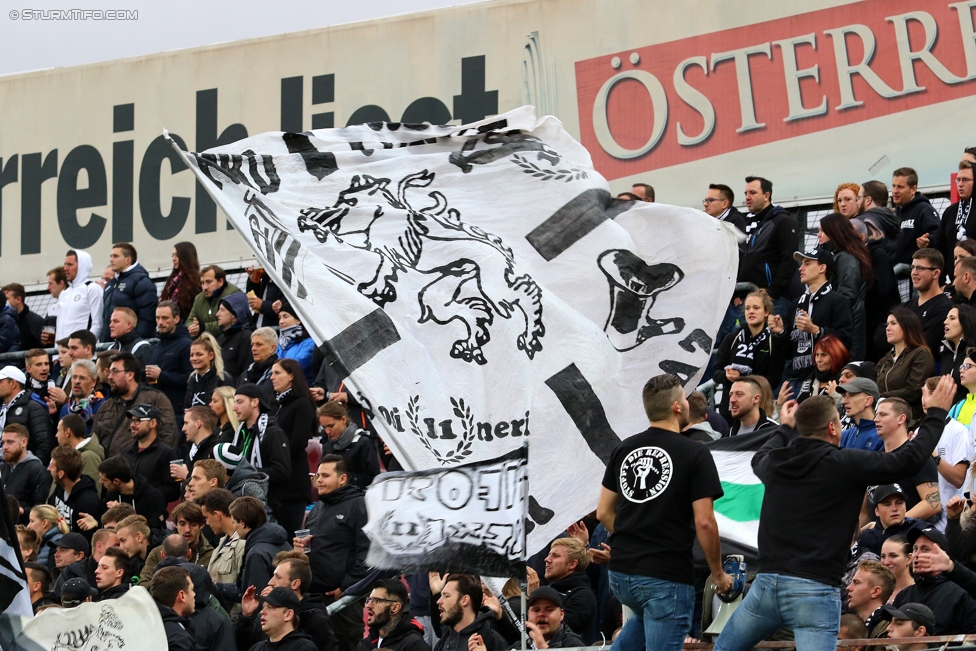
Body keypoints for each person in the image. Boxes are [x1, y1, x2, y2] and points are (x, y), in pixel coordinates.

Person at [712, 375, 956, 651]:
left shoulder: (776, 462)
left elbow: (759, 456)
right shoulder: (845, 462)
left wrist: (785, 426)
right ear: (832, 427)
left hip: (767, 585)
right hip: (814, 588)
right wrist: (936, 414)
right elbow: (908, 459)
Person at [596, 374, 731, 651]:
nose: (686, 402)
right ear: (677, 407)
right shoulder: (695, 454)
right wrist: (718, 574)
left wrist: (633, 536)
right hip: (665, 576)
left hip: (622, 574)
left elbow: (603, 512)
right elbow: (705, 522)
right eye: (684, 397)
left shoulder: (623, 448)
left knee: (643, 621)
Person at [300, 455, 369, 651]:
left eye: (325, 475)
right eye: (317, 475)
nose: (318, 480)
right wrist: (300, 547)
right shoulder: (319, 507)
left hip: (343, 599)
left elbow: (367, 552)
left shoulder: (359, 505)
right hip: (313, 596)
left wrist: (346, 588)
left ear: (343, 478)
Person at [769, 249, 853, 384]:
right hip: (795, 380)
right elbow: (789, 353)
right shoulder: (795, 304)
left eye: (807, 263)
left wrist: (816, 330)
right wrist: (781, 333)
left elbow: (846, 340)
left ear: (822, 268)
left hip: (824, 380)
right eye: (801, 264)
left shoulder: (838, 301)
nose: (800, 268)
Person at [239, 552, 339, 651]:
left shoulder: (317, 620)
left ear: (295, 583)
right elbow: (248, 644)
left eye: (278, 577)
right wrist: (247, 616)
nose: (270, 582)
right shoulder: (265, 616)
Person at [892, 526, 976, 634]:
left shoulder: (961, 593)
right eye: (915, 549)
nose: (917, 555)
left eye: (925, 549)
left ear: (943, 555)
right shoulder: (904, 595)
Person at [712, 289, 783, 418]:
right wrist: (727, 376)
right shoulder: (731, 338)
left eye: (756, 308)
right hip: (730, 409)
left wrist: (745, 380)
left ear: (766, 312)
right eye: (747, 308)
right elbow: (716, 372)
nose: (751, 311)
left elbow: (774, 379)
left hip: (758, 409)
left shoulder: (773, 341)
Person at [91, 352, 177, 457]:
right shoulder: (106, 406)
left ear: (130, 374)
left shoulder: (155, 399)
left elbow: (169, 435)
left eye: (115, 372)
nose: (110, 377)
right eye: (109, 372)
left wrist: (150, 463)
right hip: (109, 469)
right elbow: (94, 441)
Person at [736, 176, 800, 314]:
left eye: (752, 193)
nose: (747, 197)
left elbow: (790, 259)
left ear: (766, 195)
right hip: (747, 302)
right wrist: (735, 295)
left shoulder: (783, 222)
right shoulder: (747, 224)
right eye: (746, 193)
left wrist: (772, 293)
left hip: (774, 302)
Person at [872, 398, 941, 523]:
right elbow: (865, 512)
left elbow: (932, 504)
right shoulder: (874, 460)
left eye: (883, 414)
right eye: (876, 414)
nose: (876, 419)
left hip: (907, 538)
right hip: (874, 539)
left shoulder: (917, 457)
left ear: (901, 419)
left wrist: (892, 525)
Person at [214, 496, 290, 606]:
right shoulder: (279, 540)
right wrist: (218, 587)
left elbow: (255, 597)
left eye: (234, 522)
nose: (234, 527)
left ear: (242, 523)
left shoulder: (256, 554)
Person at [270, 358, 316, 537]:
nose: (272, 377)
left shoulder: (302, 403)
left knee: (290, 538)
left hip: (293, 485)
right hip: (278, 484)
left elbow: (298, 441)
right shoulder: (276, 404)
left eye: (277, 373)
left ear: (291, 376)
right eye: (272, 373)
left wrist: (274, 455)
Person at [227, 383, 291, 513]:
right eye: (234, 403)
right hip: (243, 504)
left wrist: (246, 472)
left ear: (254, 402)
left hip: (269, 505)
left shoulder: (273, 433)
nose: (234, 408)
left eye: (239, 402)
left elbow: (281, 472)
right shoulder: (240, 433)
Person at [818, 213, 872, 360]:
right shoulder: (837, 256)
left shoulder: (845, 258)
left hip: (849, 325)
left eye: (822, 231)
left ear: (834, 232)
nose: (818, 235)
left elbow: (847, 295)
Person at [921, 377, 972, 531]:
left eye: (931, 394)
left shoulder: (958, 431)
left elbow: (958, 479)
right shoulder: (919, 432)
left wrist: (932, 454)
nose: (925, 399)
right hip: (922, 519)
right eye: (923, 394)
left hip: (947, 522)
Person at [876, 308, 935, 422]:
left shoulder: (921, 353)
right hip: (884, 420)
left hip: (910, 420)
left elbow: (914, 391)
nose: (887, 328)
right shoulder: (885, 360)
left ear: (907, 326)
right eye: (887, 324)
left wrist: (881, 397)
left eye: (893, 323)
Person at [141, 503, 215, 583]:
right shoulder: (157, 553)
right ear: (176, 524)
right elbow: (144, 584)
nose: (187, 530)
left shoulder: (211, 555)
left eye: (193, 524)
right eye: (182, 524)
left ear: (201, 525)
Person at [121, 404, 181, 503]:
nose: (132, 425)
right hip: (126, 513)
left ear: (153, 423)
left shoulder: (167, 453)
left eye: (138, 421)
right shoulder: (126, 452)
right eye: (132, 421)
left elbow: (173, 491)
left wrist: (144, 493)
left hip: (151, 514)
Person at [144, 300, 193, 419]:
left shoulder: (186, 345)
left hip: (176, 412)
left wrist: (162, 376)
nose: (160, 322)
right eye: (158, 318)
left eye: (165, 318)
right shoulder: (155, 347)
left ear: (176, 319)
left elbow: (190, 378)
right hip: (156, 411)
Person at [901, 249, 954, 359]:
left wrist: (899, 336)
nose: (914, 272)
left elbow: (925, 344)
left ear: (936, 273)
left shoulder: (944, 307)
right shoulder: (906, 306)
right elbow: (881, 338)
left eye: (920, 268)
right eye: (913, 268)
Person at [542, 537, 597, 642]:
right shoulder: (551, 589)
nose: (547, 559)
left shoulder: (583, 596)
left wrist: (532, 600)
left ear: (572, 564)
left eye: (555, 555)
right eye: (549, 554)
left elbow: (553, 630)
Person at [433, 574, 508, 651]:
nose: (439, 601)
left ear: (464, 600)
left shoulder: (491, 640)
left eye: (446, 596)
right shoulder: (445, 640)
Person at [199, 488, 246, 611]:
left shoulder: (242, 545)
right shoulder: (221, 543)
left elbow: (244, 590)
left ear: (217, 515)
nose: (207, 523)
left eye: (206, 518)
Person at [101, 242, 158, 340]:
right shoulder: (111, 283)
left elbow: (148, 317)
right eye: (111, 256)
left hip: (130, 346)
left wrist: (136, 342)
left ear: (128, 260)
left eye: (115, 256)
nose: (111, 259)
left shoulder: (141, 281)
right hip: (111, 345)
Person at [48, 445, 104, 541]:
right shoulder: (60, 487)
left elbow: (84, 543)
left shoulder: (88, 503)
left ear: (61, 474)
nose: (48, 469)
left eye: (52, 466)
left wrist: (64, 531)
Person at [98, 456, 168, 533]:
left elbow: (155, 531)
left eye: (104, 480)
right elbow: (107, 527)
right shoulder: (111, 495)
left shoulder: (154, 497)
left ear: (116, 481)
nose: (100, 482)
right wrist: (96, 524)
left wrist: (122, 512)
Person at [0, 365, 53, 465]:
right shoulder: (2, 409)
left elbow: (45, 445)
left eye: (0, 382)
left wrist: (31, 470)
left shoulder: (34, 407)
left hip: (24, 470)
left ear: (13, 384)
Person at [318, 402, 379, 488]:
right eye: (324, 427)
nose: (327, 431)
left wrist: (342, 481)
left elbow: (372, 477)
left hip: (357, 495)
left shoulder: (362, 442)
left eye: (331, 426)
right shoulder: (327, 445)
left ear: (343, 420)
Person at [357, 578, 428, 651]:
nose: (368, 606)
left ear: (395, 608)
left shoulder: (414, 645)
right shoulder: (364, 644)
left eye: (377, 601)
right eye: (369, 600)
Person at [851, 484, 918, 561]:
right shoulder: (868, 536)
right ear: (877, 511)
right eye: (887, 504)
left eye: (899, 503)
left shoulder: (918, 531)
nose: (894, 509)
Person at [1, 424, 50, 522]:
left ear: (24, 442)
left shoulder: (37, 470)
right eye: (3, 442)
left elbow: (42, 508)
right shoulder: (3, 466)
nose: (4, 447)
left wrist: (22, 511)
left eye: (10, 442)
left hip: (23, 530)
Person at [892, 167, 940, 266]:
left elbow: (939, 234)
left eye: (900, 187)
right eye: (893, 186)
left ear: (913, 189)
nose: (895, 191)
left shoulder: (924, 210)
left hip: (916, 272)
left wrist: (928, 241)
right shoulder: (893, 214)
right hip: (896, 274)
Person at [53, 527, 118, 599]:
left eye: (63, 550)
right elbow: (55, 601)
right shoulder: (70, 573)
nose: (121, 548)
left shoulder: (123, 569)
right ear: (99, 546)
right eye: (116, 546)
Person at [248, 586, 318, 651]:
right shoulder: (257, 648)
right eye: (263, 607)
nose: (262, 612)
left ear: (288, 614)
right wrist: (246, 616)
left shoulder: (305, 648)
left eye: (270, 607)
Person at [56, 249, 102, 341]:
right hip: (61, 353)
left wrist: (85, 346)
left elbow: (98, 324)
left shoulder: (92, 288)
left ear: (82, 266)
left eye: (70, 264)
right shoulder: (64, 293)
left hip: (81, 352)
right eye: (65, 264)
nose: (65, 268)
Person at [150, 565, 198, 651]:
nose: (194, 594)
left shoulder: (143, 623)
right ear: (182, 595)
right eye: (192, 589)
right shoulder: (179, 641)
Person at [187, 264, 241, 339]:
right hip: (207, 343)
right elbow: (189, 321)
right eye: (202, 283)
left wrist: (202, 327)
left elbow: (229, 323)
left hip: (231, 340)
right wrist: (193, 327)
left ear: (220, 282)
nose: (205, 287)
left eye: (208, 282)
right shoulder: (199, 298)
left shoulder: (233, 295)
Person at [939, 161, 976, 269]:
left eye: (965, 180)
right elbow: (941, 247)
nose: (960, 184)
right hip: (955, 279)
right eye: (958, 180)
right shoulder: (950, 211)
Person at [846, 561, 895, 638]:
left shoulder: (888, 630)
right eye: (851, 582)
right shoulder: (855, 627)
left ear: (875, 592)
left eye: (856, 582)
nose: (848, 588)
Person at [55, 413, 104, 488]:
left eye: (58, 431)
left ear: (67, 432)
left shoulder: (89, 457)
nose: (56, 435)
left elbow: (91, 493)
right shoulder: (68, 454)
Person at [58, 360, 107, 433]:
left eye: (82, 378)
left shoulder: (102, 407)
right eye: (74, 377)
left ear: (93, 382)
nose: (77, 381)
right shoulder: (65, 409)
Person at [941, 305, 976, 403]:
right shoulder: (945, 353)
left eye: (952, 318)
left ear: (966, 322)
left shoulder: (973, 353)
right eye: (946, 318)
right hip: (948, 413)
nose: (945, 322)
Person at [276, 302, 318, 384]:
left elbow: (296, 367)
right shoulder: (281, 342)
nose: (281, 321)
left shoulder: (309, 342)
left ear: (298, 319)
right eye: (280, 317)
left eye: (285, 316)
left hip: (301, 389)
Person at [160, 242, 203, 320]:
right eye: (172, 255)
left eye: (177, 255)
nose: (173, 258)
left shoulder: (195, 283)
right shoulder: (172, 280)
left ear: (186, 257)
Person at [837, 378, 883, 451]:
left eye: (852, 395)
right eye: (844, 396)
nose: (844, 401)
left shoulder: (883, 436)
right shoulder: (845, 435)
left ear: (868, 400)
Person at [217, 292, 254, 382]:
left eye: (222, 310)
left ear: (235, 314)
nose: (217, 314)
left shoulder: (246, 337)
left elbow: (247, 371)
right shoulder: (220, 338)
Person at [186, 332, 230, 408]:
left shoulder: (222, 378)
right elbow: (186, 406)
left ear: (211, 355)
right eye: (191, 355)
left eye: (199, 354)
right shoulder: (192, 379)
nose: (194, 358)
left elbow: (227, 408)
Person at [240, 327, 279, 402]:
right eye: (252, 345)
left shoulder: (279, 374)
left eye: (259, 344)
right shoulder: (245, 374)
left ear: (272, 348)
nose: (253, 348)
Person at [2, 283, 44, 350]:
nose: (4, 302)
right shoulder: (3, 320)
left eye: (7, 298)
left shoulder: (35, 322)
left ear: (18, 299)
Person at [27, 504, 67, 569]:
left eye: (32, 521)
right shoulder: (41, 541)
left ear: (44, 523)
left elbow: (52, 574)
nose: (28, 526)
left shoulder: (56, 543)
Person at [115, 514, 152, 580]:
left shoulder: (162, 558)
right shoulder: (132, 563)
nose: (121, 547)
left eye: (123, 541)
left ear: (139, 537)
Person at [881, 536, 915, 603]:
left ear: (909, 558)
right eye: (883, 556)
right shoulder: (877, 589)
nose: (886, 562)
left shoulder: (916, 593)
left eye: (893, 556)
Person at [43, 266, 68, 344]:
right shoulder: (51, 310)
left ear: (61, 283)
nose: (48, 288)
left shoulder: (76, 306)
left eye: (50, 284)